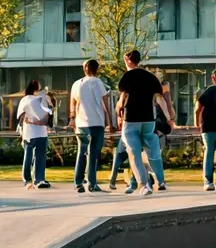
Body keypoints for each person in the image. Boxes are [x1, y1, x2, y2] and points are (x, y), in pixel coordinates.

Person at [116, 49, 171, 195]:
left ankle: (144, 184)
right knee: (153, 151)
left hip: (131, 119)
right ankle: (161, 181)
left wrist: (119, 113)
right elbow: (160, 99)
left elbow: (122, 98)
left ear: (129, 61)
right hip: (148, 120)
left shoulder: (127, 77)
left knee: (134, 153)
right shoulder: (151, 77)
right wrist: (168, 117)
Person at [69, 59, 111, 193]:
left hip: (81, 123)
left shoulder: (76, 84)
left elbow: (72, 105)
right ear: (97, 69)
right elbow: (105, 105)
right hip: (96, 122)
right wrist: (110, 122)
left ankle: (78, 183)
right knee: (93, 154)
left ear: (84, 69)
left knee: (81, 152)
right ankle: (92, 184)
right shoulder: (98, 83)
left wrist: (73, 119)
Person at [17, 80, 52, 189]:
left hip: (30, 133)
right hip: (40, 132)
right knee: (39, 157)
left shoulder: (25, 100)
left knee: (28, 157)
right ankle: (39, 179)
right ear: (36, 89)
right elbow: (48, 115)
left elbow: (21, 117)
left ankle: (28, 179)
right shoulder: (41, 100)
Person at [195, 69, 216, 192]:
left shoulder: (210, 90)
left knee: (209, 153)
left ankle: (208, 181)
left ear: (213, 78)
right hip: (209, 127)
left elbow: (198, 107)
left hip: (208, 127)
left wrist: (197, 124)